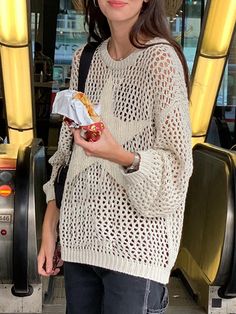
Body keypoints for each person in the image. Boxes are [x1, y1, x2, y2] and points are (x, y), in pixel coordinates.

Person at [38, 0, 193, 313]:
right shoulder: (85, 59)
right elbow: (66, 156)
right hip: (79, 244)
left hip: (136, 255)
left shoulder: (161, 59)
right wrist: (50, 227)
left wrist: (121, 156)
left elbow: (177, 169)